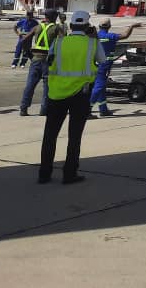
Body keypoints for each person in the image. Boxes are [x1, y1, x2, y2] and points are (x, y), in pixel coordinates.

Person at [38, 10, 104, 184]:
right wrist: (95, 38)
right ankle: (69, 174)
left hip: (56, 93)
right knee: (74, 136)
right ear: (88, 26)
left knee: (50, 135)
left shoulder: (59, 42)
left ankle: (44, 174)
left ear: (72, 25)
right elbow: (102, 60)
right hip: (80, 95)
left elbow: (49, 61)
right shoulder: (92, 44)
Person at [90, 18, 141, 117]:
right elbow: (125, 35)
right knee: (99, 86)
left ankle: (103, 109)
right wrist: (132, 26)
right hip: (104, 65)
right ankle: (87, 109)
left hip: (95, 63)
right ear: (109, 26)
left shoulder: (95, 36)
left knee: (101, 86)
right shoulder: (111, 36)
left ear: (99, 26)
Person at [20, 8, 63, 116]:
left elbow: (24, 40)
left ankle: (23, 108)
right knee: (47, 87)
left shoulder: (37, 27)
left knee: (30, 85)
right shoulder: (57, 28)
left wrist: (28, 53)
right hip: (49, 61)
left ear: (45, 17)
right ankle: (44, 110)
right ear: (55, 17)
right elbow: (63, 43)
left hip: (35, 59)